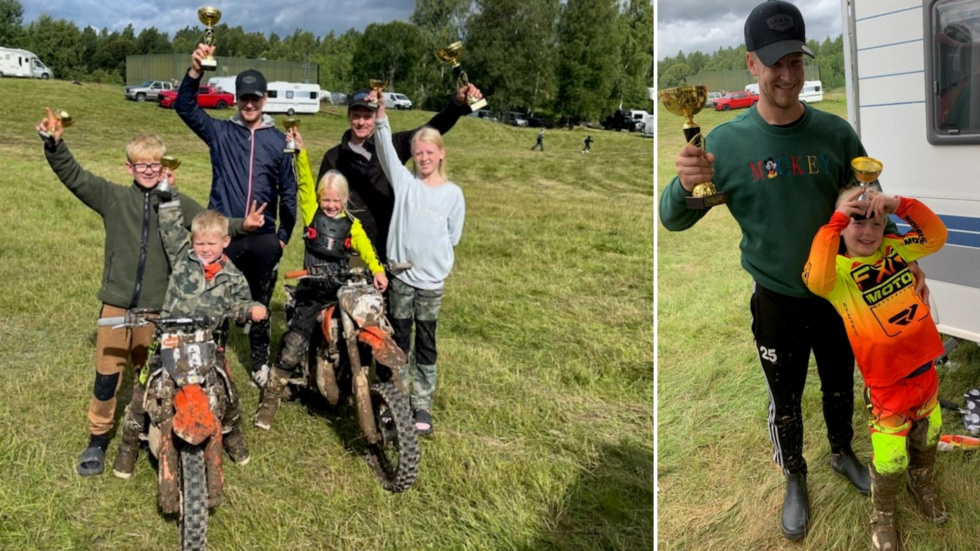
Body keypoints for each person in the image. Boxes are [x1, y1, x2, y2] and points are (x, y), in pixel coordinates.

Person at [658, 0, 930, 540]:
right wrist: (685, 184)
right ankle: (795, 477)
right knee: (785, 395)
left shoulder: (835, 134)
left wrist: (901, 255)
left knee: (838, 384)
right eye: (775, 62)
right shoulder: (726, 145)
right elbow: (672, 220)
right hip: (777, 298)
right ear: (752, 64)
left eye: (796, 62)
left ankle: (841, 452)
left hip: (839, 295)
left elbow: (866, 202)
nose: (787, 75)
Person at [36, 108, 213, 476]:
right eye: (140, 165)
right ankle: (98, 438)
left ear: (164, 167)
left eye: (155, 164)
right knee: (107, 376)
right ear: (128, 167)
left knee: (152, 375)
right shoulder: (113, 198)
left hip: (155, 308)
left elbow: (208, 224)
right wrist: (55, 146)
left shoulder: (174, 205)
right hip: (116, 305)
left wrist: (247, 225)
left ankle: (150, 430)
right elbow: (75, 176)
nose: (148, 170)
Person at [803, 187, 948, 551]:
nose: (868, 232)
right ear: (840, 226)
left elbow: (936, 236)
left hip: (926, 372)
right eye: (856, 221)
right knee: (890, 457)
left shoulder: (897, 252)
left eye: (877, 223)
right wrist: (835, 223)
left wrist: (901, 205)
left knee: (929, 435)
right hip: (886, 385)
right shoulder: (837, 274)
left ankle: (923, 481)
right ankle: (882, 514)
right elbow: (815, 281)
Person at [113, 201, 268, 478]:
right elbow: (171, 227)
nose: (205, 249)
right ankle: (129, 445)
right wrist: (168, 192)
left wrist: (252, 309)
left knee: (227, 391)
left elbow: (243, 304)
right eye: (200, 243)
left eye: (211, 243)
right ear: (192, 241)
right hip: (169, 340)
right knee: (143, 391)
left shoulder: (233, 276)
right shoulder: (183, 259)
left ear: (225, 242)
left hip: (210, 344)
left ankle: (231, 435)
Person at [175, 44, 298, 388]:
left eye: (255, 99)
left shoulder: (279, 142)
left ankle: (259, 363)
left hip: (262, 240)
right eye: (243, 98)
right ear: (236, 98)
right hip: (222, 233)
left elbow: (290, 191)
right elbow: (184, 106)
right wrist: (196, 71)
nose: (248, 104)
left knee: (258, 302)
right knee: (216, 301)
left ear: (265, 100)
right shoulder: (221, 133)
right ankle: (214, 359)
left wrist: (284, 235)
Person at [253, 127, 388, 430]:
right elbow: (303, 183)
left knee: (366, 325)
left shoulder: (351, 224)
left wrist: (376, 269)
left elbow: (364, 247)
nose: (330, 204)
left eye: (335, 200)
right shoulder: (312, 211)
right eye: (325, 199)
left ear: (343, 199)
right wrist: (300, 153)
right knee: (294, 341)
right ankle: (271, 399)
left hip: (340, 290)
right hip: (312, 290)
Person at [372, 91, 465, 435]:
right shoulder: (405, 182)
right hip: (401, 278)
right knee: (396, 340)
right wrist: (381, 116)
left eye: (429, 152)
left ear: (441, 154)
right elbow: (384, 151)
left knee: (425, 341)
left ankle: (421, 402)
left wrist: (434, 262)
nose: (423, 157)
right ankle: (392, 397)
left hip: (431, 284)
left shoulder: (453, 194)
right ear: (411, 157)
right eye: (417, 153)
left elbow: (452, 236)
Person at [316, 83, 481, 263]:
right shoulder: (334, 157)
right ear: (349, 117)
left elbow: (433, 128)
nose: (361, 122)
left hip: (389, 244)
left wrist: (456, 104)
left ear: (375, 117)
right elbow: (320, 203)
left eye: (367, 116)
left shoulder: (393, 146)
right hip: (348, 244)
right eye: (356, 116)